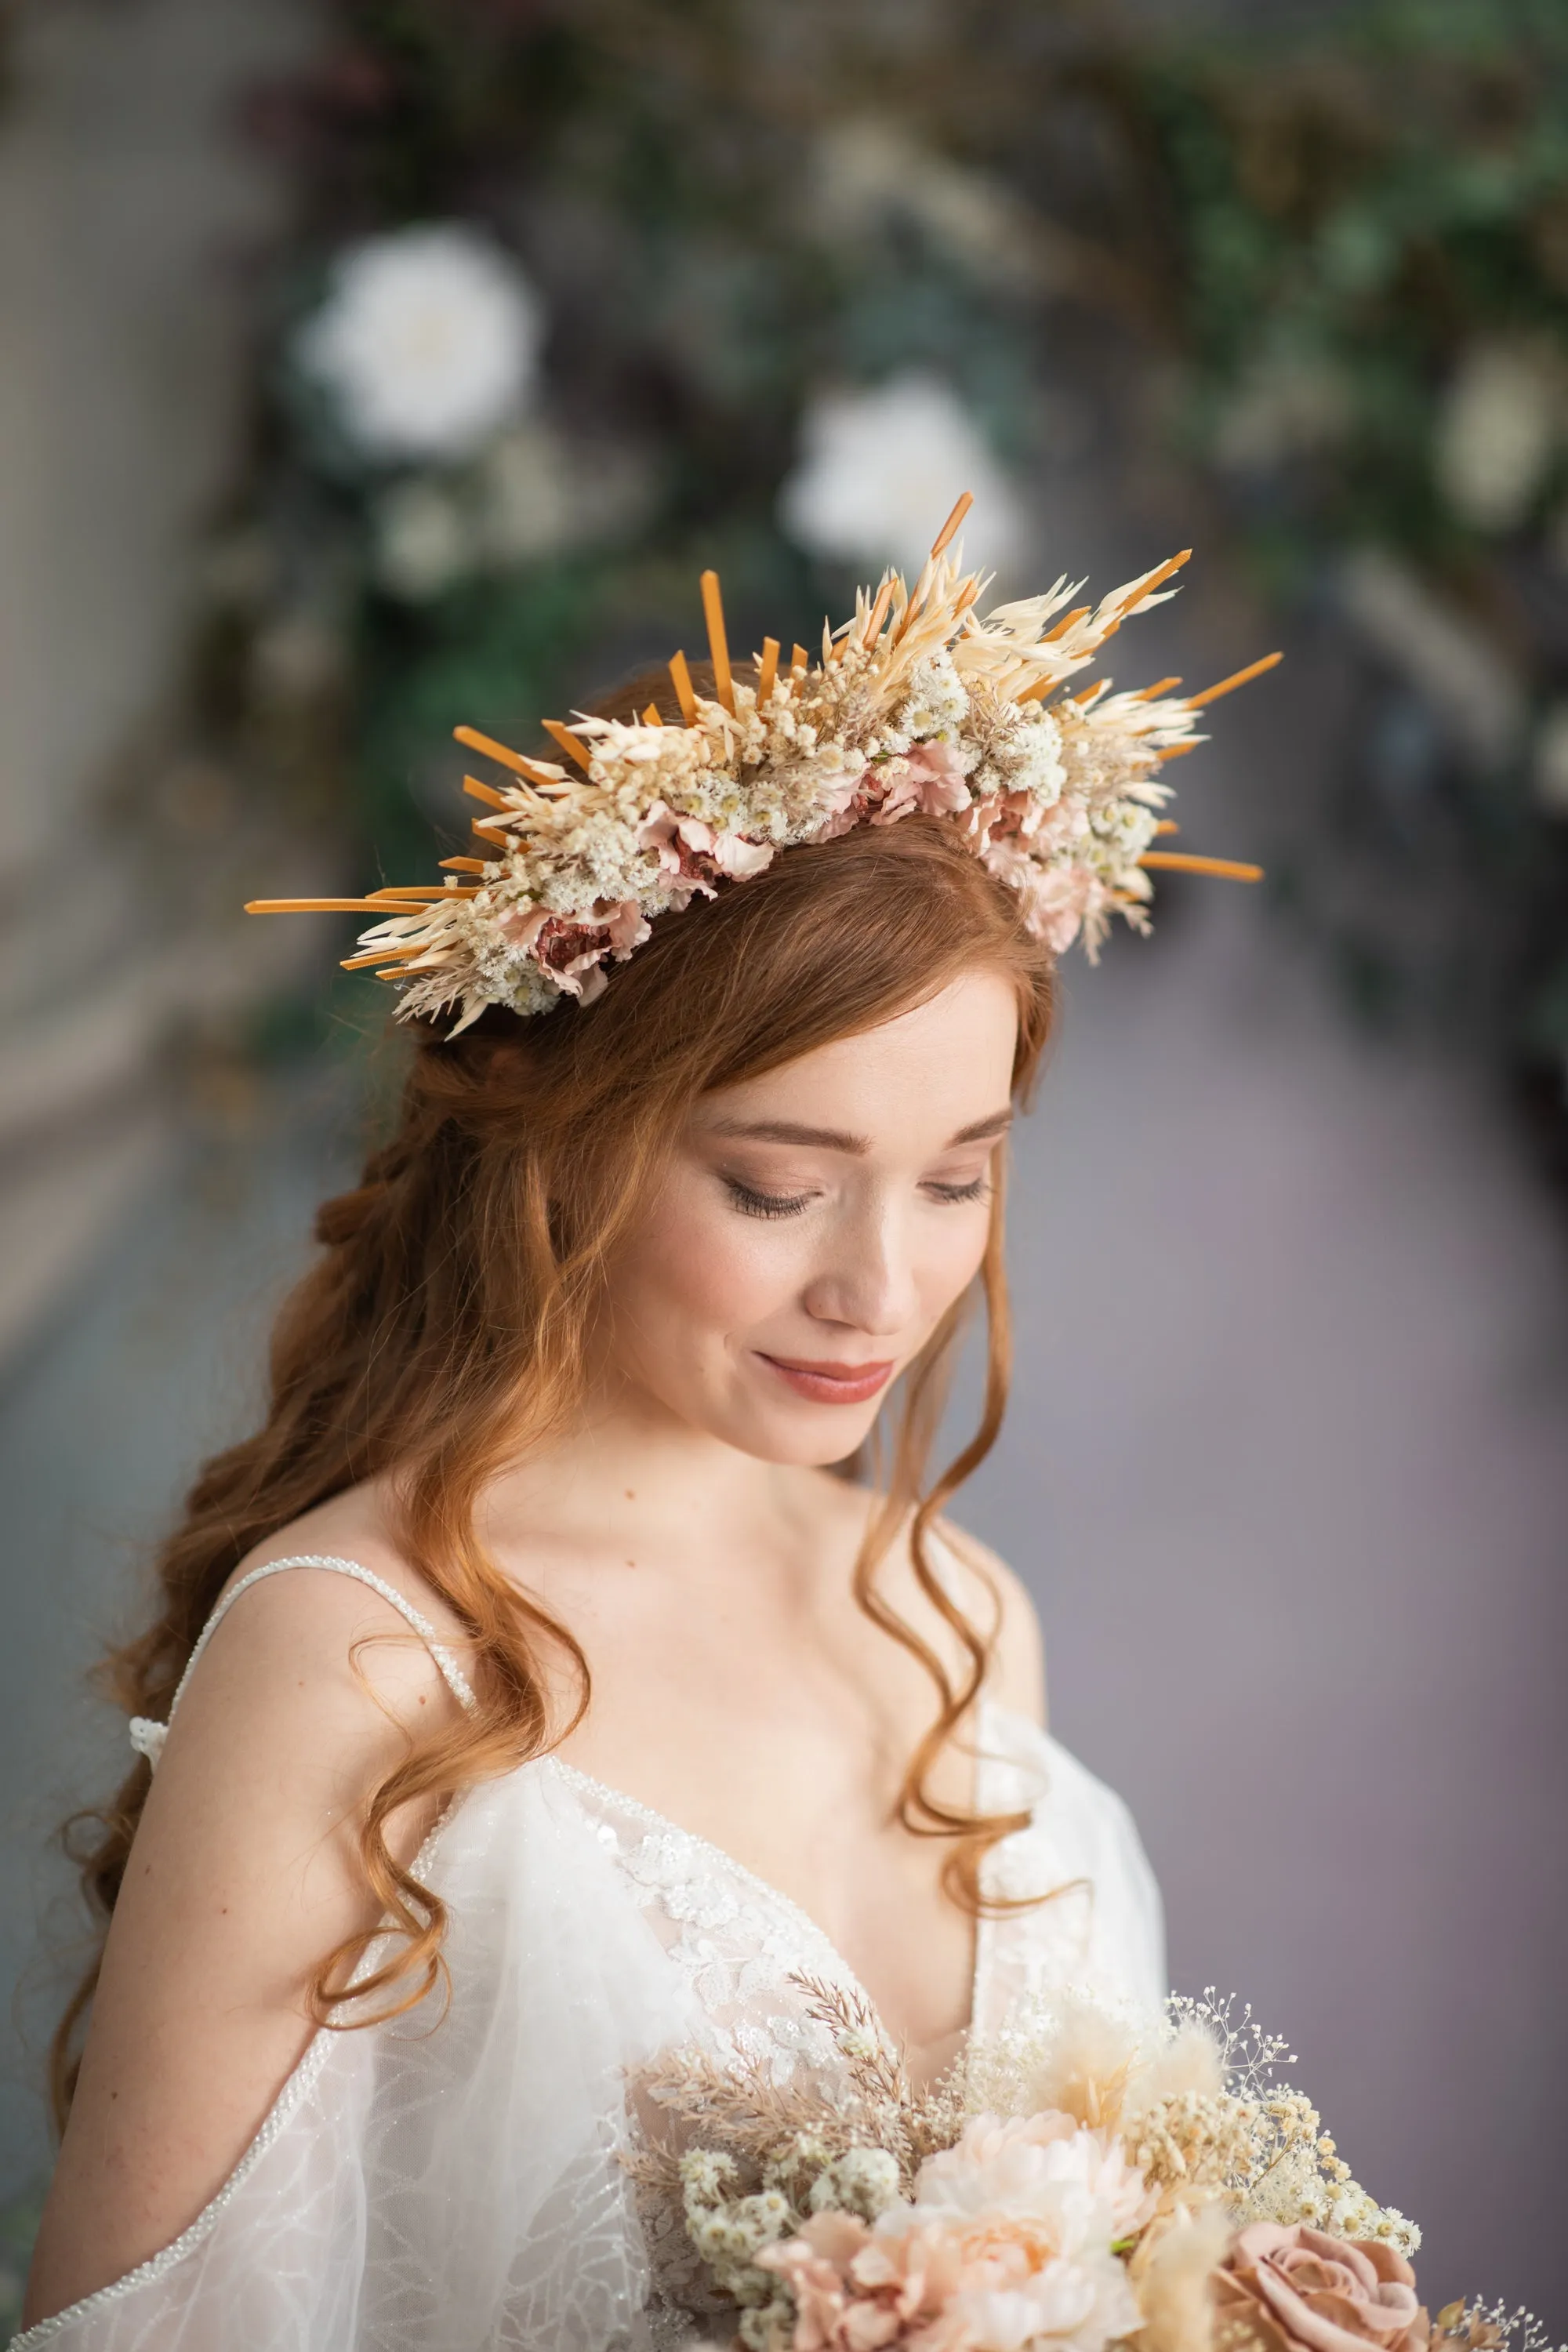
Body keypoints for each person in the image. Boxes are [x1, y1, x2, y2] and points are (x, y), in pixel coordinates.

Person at [21, 507, 1265, 2348]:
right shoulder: (359, 1657)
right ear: (563, 1139)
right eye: (778, 1187)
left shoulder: (962, 1615)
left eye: (956, 1179)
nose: (881, 1287)